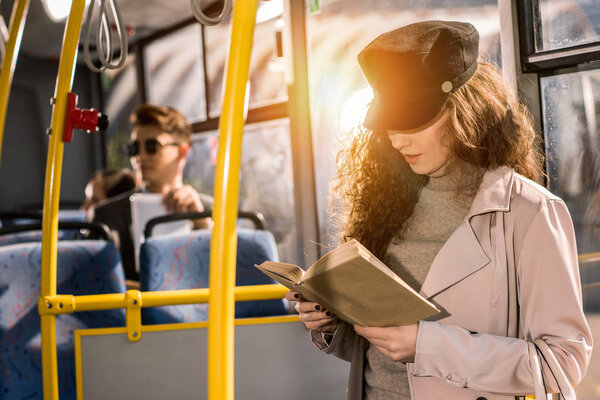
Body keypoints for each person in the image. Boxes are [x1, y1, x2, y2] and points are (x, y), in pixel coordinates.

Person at [285, 21, 592, 399]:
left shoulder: (530, 212)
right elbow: (380, 354)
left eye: (413, 120)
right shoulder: (388, 206)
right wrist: (333, 325)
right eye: (389, 124)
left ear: (464, 108)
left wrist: (427, 345)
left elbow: (560, 364)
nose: (397, 140)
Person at [93, 104, 211, 280]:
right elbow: (97, 281)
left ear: (182, 152)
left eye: (151, 146)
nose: (140, 156)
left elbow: (228, 274)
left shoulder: (210, 210)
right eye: (134, 148)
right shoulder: (107, 216)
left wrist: (203, 224)